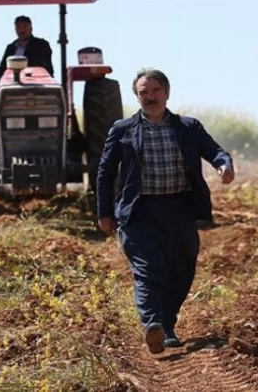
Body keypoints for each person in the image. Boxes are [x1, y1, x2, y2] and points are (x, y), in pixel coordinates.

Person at [96, 68, 236, 354]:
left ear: (167, 93)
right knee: (148, 270)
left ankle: (167, 326)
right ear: (136, 97)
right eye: (143, 93)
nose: (150, 97)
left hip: (179, 208)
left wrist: (224, 164)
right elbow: (105, 173)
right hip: (139, 210)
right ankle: (152, 323)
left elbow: (215, 150)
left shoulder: (188, 127)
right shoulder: (122, 130)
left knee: (181, 269)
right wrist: (104, 212)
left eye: (155, 91)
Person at [0, 15, 54, 83]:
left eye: (25, 26)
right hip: (11, 84)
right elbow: (2, 67)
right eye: (19, 27)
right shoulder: (11, 48)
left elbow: (41, 64)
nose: (22, 30)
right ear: (15, 29)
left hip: (37, 83)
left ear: (31, 28)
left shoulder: (41, 45)